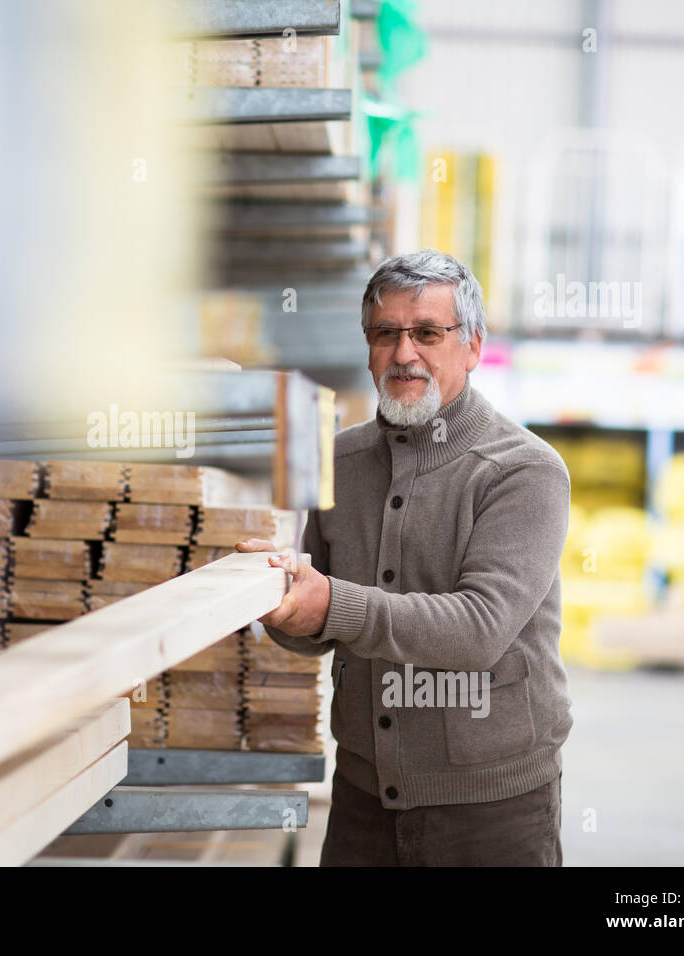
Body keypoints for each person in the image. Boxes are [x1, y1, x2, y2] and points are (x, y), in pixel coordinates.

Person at [237, 249, 572, 866]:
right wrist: (280, 605)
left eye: (427, 333)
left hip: (491, 812)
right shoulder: (340, 462)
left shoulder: (524, 472)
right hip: (363, 799)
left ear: (471, 347)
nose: (404, 353)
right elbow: (321, 626)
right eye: (386, 333)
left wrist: (331, 604)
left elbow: (478, 629)